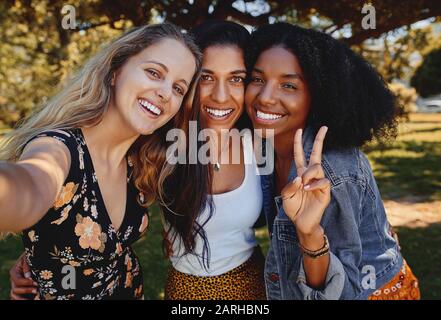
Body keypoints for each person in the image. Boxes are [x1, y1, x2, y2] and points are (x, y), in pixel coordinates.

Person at [1, 23, 204, 300]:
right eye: (154, 73)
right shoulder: (59, 149)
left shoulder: (139, 163)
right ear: (115, 71)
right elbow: (28, 185)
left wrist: (40, 251)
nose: (166, 93)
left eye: (179, 88)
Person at [244, 22, 420, 300]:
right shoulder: (266, 145)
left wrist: (309, 233)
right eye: (257, 79)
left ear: (317, 95)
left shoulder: (333, 170)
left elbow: (342, 291)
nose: (265, 97)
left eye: (288, 85)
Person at [162, 20, 267, 300]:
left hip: (253, 286)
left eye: (236, 79)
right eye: (206, 77)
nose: (221, 96)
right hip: (187, 292)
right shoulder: (162, 144)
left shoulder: (259, 145)